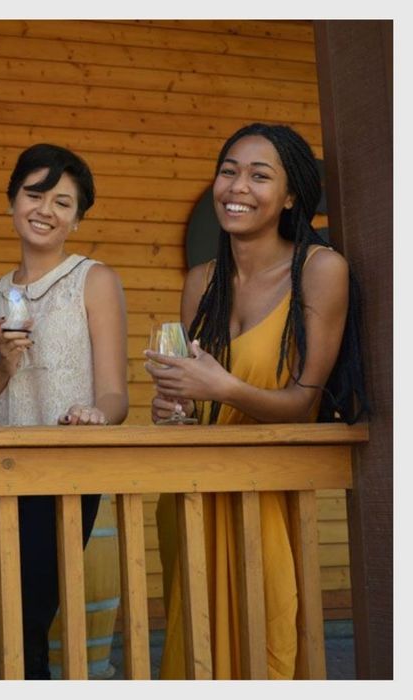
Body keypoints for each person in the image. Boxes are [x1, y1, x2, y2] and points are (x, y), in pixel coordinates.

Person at [145, 122, 367, 679]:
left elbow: (301, 402)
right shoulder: (202, 281)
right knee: (194, 651)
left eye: (259, 176)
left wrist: (221, 388)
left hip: (266, 495)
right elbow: (196, 397)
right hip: (195, 492)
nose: (237, 187)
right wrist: (178, 409)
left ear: (290, 195)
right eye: (229, 171)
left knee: (268, 644)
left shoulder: (321, 271)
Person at [0, 143, 128, 679]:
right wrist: (4, 368)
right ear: (12, 201)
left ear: (77, 219)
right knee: (7, 616)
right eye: (35, 194)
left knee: (28, 616)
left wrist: (96, 413)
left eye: (63, 202)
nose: (46, 209)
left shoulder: (94, 279)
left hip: (64, 472)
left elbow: (115, 396)